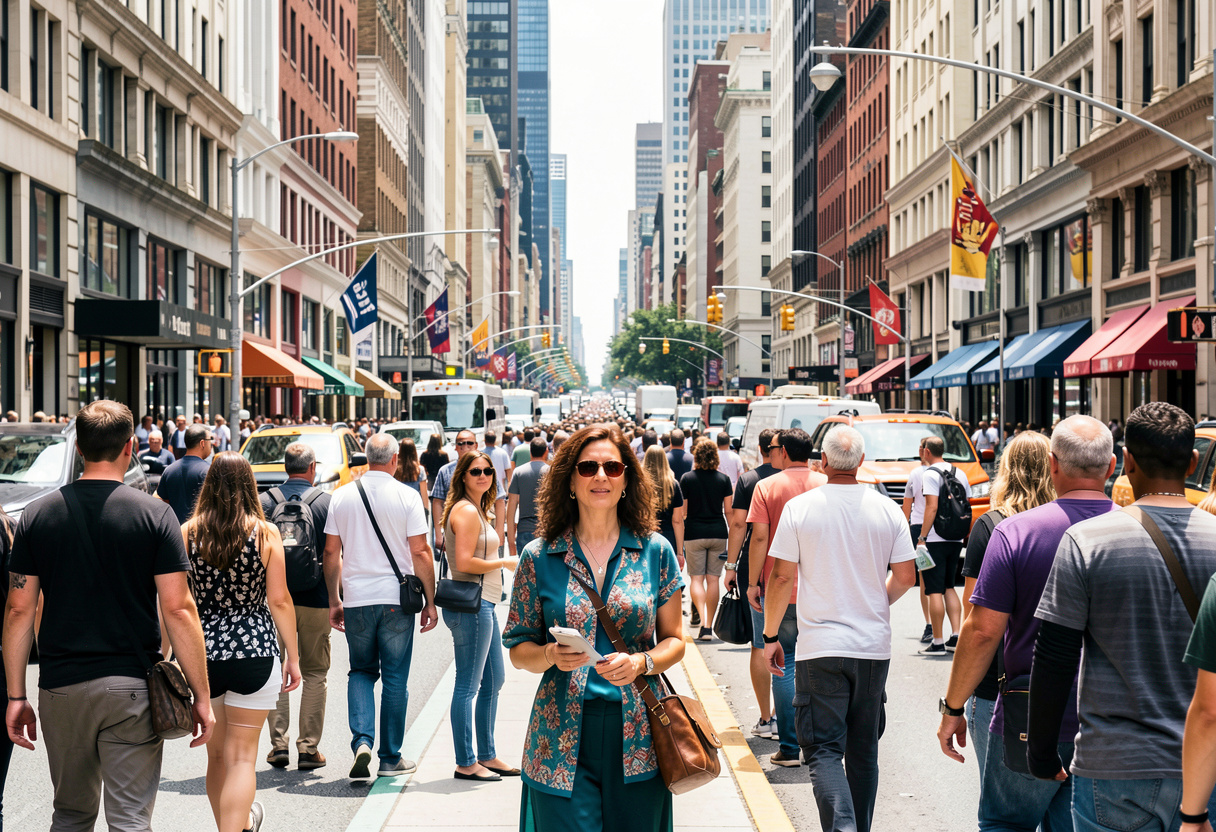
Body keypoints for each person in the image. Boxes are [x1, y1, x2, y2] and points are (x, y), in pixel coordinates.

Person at [3, 400, 214, 831]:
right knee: (130, 818)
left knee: (71, 814)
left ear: (78, 447)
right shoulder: (155, 515)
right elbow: (178, 608)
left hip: (61, 689)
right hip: (132, 687)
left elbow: (19, 608)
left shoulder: (37, 515)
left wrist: (15, 696)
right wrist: (202, 696)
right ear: (129, 448)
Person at [1028, 402, 1216, 832]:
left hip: (1114, 765)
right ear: (1191, 462)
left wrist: (1040, 751)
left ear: (1126, 463)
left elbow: (1055, 655)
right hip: (1208, 765)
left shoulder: (1087, 541)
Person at [503, 425, 685, 831]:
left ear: (627, 480)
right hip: (559, 735)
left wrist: (640, 662)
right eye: (587, 467)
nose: (600, 476)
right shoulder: (538, 556)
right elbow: (518, 649)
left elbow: (675, 641)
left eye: (611, 466)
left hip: (640, 733)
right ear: (569, 480)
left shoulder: (655, 550)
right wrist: (550, 654)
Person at [938, 423, 1113, 832]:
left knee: (1006, 822)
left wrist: (953, 707)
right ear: (1112, 465)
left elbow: (982, 631)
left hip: (1028, 714)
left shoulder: (1015, 531)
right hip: (1112, 720)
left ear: (1053, 465)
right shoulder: (1136, 529)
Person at [762, 425, 916, 832]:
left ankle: (842, 828)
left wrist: (770, 636)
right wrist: (874, 601)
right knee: (864, 750)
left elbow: (780, 578)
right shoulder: (887, 510)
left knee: (823, 749)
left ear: (823, 462)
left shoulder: (802, 507)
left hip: (820, 647)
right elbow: (905, 576)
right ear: (862, 463)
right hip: (871, 647)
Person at [186, 452, 302, 832]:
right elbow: (280, 600)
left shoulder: (188, 532)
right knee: (241, 759)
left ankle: (229, 826)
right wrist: (293, 657)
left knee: (216, 756)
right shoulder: (264, 533)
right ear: (249, 485)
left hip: (203, 653)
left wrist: (169, 656)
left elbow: (173, 602)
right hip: (254, 648)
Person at [323, 433, 437, 780]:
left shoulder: (340, 496)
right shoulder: (406, 495)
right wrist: (431, 602)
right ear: (395, 460)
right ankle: (390, 757)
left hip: (357, 599)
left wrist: (334, 599)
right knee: (395, 679)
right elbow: (420, 551)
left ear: (365, 459)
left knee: (360, 671)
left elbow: (331, 553)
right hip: (395, 601)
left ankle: (362, 741)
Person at [954, 432, 1055, 785]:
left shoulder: (991, 526)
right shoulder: (1069, 524)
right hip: (1064, 682)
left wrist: (953, 703)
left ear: (1006, 470)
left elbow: (975, 619)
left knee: (1004, 808)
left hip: (998, 688)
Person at [746, 428, 827, 768]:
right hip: (820, 588)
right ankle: (821, 742)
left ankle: (790, 747)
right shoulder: (825, 485)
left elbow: (760, 537)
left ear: (783, 452)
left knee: (783, 662)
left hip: (779, 589)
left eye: (775, 448)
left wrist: (752, 583)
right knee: (820, 662)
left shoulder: (767, 486)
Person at [441, 452, 519, 781]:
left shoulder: (476, 509)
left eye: (488, 471)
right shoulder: (466, 511)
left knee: (494, 680)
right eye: (476, 471)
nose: (484, 476)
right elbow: (465, 561)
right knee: (468, 687)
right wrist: (503, 562)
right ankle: (466, 761)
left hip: (483, 604)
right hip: (471, 606)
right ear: (463, 475)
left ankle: (486, 754)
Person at [262, 443, 333, 771]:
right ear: (312, 467)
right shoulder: (325, 503)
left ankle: (279, 745)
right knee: (315, 672)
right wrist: (335, 598)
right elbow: (333, 556)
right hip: (316, 599)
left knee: (277, 670)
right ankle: (308, 748)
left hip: (275, 602)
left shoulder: (265, 502)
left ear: (285, 467)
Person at [724, 428, 779, 741]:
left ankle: (765, 717)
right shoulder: (805, 480)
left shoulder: (748, 480)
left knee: (761, 644)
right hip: (797, 569)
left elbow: (738, 525)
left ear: (761, 450)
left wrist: (731, 567)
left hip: (757, 571)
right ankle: (791, 721)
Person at [916, 435, 972, 656]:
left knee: (934, 590)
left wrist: (922, 537)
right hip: (956, 538)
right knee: (950, 586)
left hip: (936, 538)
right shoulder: (961, 473)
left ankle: (937, 642)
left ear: (927, 452)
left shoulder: (930, 474)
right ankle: (956, 636)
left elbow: (931, 507)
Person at [680, 438, 733, 641]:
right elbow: (728, 511)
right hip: (718, 532)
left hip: (694, 532)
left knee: (696, 579)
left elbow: (683, 511)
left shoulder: (687, 478)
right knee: (713, 580)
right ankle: (709, 624)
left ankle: (702, 623)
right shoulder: (723, 479)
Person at [902, 437, 933, 644]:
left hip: (920, 529)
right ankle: (954, 629)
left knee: (924, 581)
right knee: (947, 585)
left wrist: (902, 530)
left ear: (925, 451)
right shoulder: (954, 471)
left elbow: (907, 505)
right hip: (946, 533)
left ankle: (929, 624)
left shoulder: (916, 474)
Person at [432, 430, 479, 550]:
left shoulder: (486, 469)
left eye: (469, 443)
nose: (465, 447)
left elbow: (498, 499)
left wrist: (499, 531)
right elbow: (437, 502)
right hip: (453, 531)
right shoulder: (445, 471)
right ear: (455, 447)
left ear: (476, 446)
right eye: (461, 443)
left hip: (481, 530)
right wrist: (438, 534)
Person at [158, 423, 214, 523]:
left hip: (175, 533)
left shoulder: (169, 471)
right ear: (202, 443)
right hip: (199, 533)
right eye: (210, 440)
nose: (211, 444)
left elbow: (162, 503)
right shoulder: (208, 471)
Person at [644, 445, 685, 570]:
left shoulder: (640, 484)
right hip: (668, 537)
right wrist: (680, 552)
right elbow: (677, 520)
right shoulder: (673, 485)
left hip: (645, 535)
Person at [507, 437, 549, 559]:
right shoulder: (551, 472)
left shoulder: (518, 472)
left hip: (524, 529)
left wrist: (510, 539)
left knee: (526, 575)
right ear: (546, 451)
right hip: (546, 529)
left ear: (530, 452)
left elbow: (512, 505)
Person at [483, 431, 511, 545]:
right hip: (499, 493)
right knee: (499, 525)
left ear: (484, 440)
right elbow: (508, 472)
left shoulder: (481, 453)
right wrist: (508, 490)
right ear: (496, 440)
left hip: (484, 491)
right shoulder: (503, 453)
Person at [393, 438, 428, 519]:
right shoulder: (419, 470)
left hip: (398, 506)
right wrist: (426, 509)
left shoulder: (396, 469)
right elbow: (423, 492)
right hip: (415, 507)